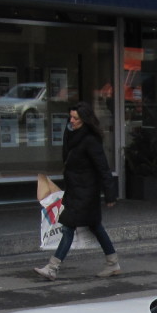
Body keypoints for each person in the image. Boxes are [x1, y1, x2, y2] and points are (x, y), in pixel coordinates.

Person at [34, 101, 121, 280]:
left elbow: (103, 167)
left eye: (76, 118)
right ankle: (113, 262)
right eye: (71, 117)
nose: (71, 121)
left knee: (68, 227)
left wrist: (110, 193)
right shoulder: (72, 135)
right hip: (75, 190)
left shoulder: (90, 140)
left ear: (84, 120)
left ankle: (52, 267)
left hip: (86, 193)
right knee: (95, 226)